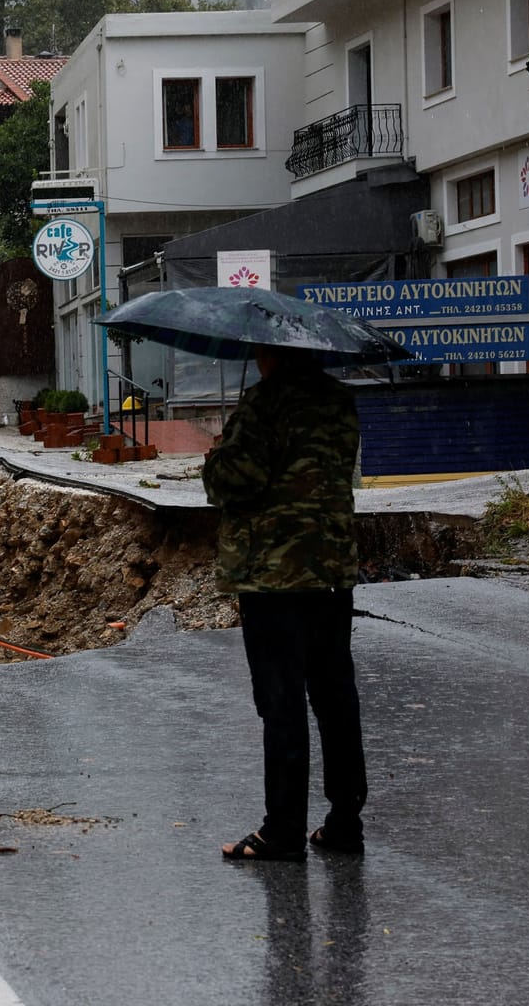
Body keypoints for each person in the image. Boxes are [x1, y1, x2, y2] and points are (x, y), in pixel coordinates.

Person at [201, 344, 366, 862]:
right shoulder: (340, 401)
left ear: (273, 355)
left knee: (282, 703)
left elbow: (237, 480)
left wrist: (216, 456)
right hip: (332, 570)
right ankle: (344, 823)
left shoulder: (264, 403)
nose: (254, 360)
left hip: (275, 575)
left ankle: (283, 831)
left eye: (258, 353)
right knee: (335, 697)